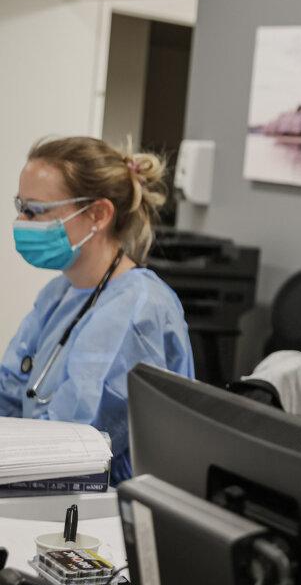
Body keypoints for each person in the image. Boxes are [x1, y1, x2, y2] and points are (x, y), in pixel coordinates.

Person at [1, 137, 194, 484]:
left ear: (98, 214)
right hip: (38, 481)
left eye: (36, 210)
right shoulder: (63, 291)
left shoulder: (137, 310)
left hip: (103, 508)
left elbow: (72, 445)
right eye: (20, 206)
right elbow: (11, 389)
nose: (21, 220)